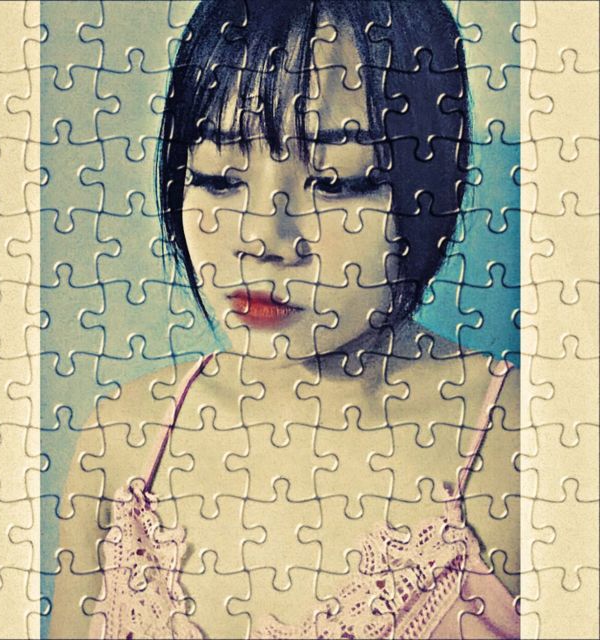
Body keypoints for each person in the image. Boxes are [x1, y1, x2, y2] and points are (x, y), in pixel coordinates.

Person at [50, 1, 520, 638]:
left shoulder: (521, 444)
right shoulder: (122, 440)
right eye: (218, 177)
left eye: (333, 180)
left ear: (428, 185)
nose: (262, 237)